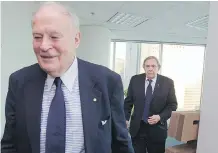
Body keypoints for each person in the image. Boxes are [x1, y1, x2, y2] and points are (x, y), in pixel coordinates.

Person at [1, 2, 134, 153]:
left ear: (76, 39)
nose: (43, 46)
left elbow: (121, 144)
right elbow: (9, 144)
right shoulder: (19, 82)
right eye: (37, 37)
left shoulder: (107, 82)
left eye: (54, 36)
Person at [124, 56, 178, 153]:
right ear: (144, 67)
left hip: (157, 129)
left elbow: (172, 105)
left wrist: (160, 117)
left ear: (158, 67)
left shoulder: (168, 83)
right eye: (147, 66)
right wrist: (125, 118)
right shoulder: (135, 80)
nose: (150, 69)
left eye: (153, 66)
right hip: (137, 128)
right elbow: (128, 102)